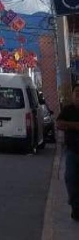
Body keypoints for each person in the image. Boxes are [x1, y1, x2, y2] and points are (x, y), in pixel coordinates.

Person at [56, 85, 79, 222]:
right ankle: (75, 206)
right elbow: (59, 123)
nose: (78, 96)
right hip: (72, 151)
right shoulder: (68, 110)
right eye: (76, 93)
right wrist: (75, 126)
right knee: (71, 179)